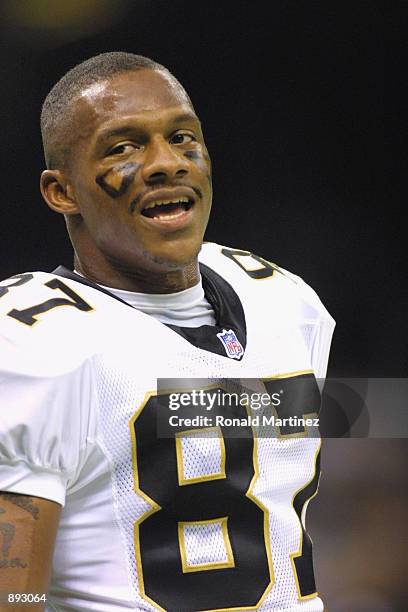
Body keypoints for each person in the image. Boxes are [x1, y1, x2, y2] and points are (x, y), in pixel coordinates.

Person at [0, 52, 335, 611]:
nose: (166, 163)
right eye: (123, 147)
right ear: (63, 193)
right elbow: (14, 592)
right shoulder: (33, 340)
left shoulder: (287, 304)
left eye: (183, 137)